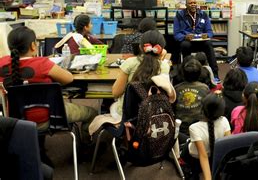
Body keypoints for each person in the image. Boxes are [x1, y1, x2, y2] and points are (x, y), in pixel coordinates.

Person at [0, 27, 97, 161]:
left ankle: (37, 148)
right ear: (33, 45)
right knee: (92, 113)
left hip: (14, 119)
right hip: (48, 117)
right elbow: (68, 78)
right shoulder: (42, 63)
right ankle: (87, 150)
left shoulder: (1, 63)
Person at [88, 30, 170, 135]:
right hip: (152, 116)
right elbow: (155, 61)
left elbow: (116, 92)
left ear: (140, 47)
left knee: (112, 105)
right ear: (161, 49)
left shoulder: (130, 63)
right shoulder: (164, 66)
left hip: (127, 117)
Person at [181, 93, 231, 180]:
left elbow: (203, 156)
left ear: (203, 109)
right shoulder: (225, 121)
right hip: (215, 158)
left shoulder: (194, 127)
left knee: (181, 139)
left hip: (194, 159)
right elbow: (228, 146)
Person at [174, 0, 219, 78]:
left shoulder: (203, 14)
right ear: (186, 5)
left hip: (201, 41)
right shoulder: (179, 15)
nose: (193, 5)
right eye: (190, 3)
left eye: (194, 3)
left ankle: (215, 73)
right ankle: (187, 73)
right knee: (185, 45)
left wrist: (207, 35)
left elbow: (210, 31)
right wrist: (185, 37)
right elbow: (176, 34)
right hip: (188, 41)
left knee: (208, 44)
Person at [174, 58, 210, 139]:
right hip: (199, 129)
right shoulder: (205, 88)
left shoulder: (176, 89)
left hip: (181, 129)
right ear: (200, 73)